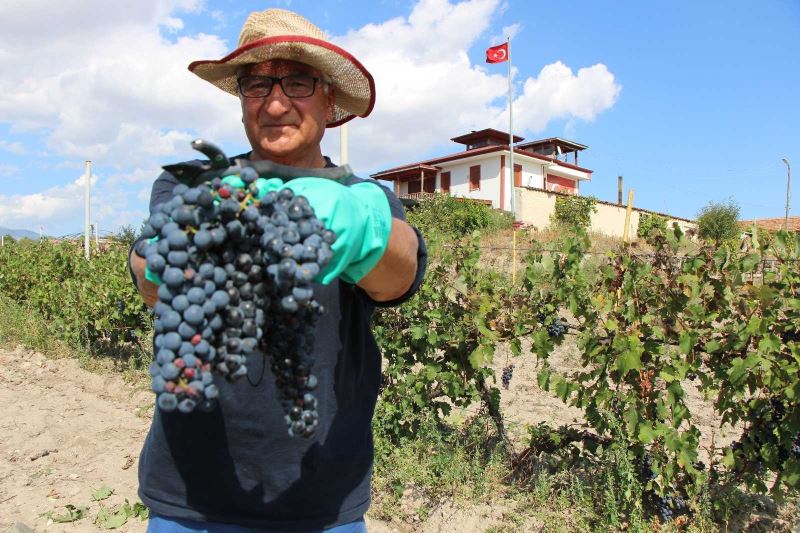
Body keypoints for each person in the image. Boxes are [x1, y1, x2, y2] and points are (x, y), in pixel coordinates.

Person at [128, 8, 426, 533]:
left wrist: (364, 231)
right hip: (190, 498)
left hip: (321, 501)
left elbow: (398, 273)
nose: (275, 102)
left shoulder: (362, 197)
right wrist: (173, 251)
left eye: (297, 81)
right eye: (256, 84)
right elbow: (147, 277)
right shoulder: (192, 184)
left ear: (330, 98)